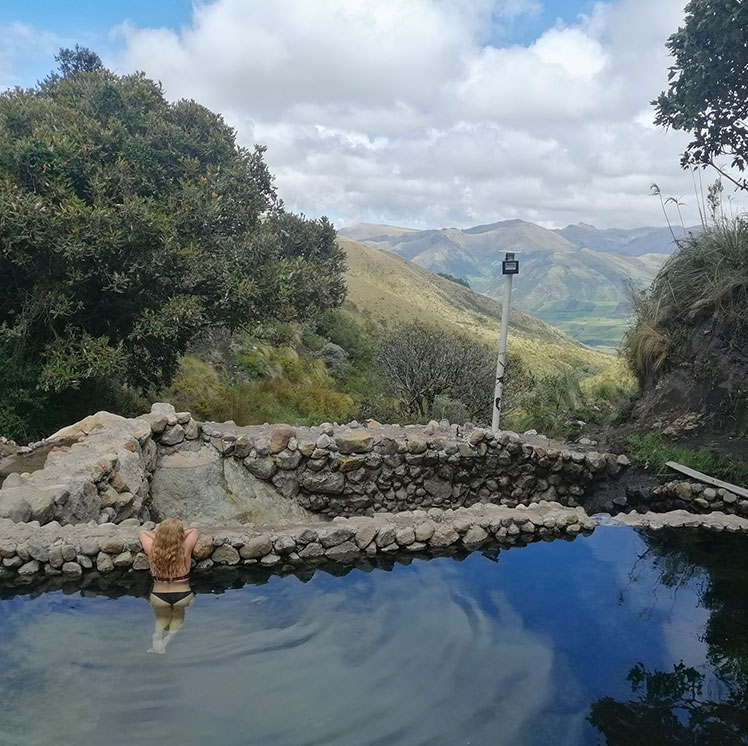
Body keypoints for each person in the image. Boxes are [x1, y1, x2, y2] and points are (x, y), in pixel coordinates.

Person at [139, 518, 199, 654]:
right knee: (178, 618)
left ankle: (157, 637)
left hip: (158, 595)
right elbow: (194, 531)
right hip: (183, 594)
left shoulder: (152, 549)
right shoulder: (184, 549)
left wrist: (163, 538)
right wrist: (175, 537)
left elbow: (142, 533)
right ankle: (168, 639)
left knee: (161, 618)